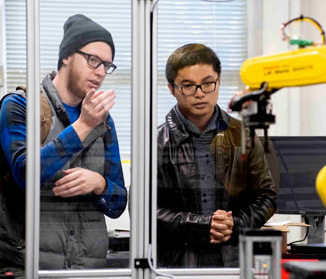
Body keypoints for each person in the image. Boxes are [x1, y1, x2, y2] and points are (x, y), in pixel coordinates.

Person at [0, 14, 127, 269]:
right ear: (66, 56)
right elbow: (25, 173)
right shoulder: (19, 106)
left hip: (89, 269)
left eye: (107, 65)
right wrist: (82, 126)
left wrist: (100, 184)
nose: (101, 72)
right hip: (29, 266)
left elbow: (118, 203)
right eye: (93, 60)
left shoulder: (104, 122)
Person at [157, 43, 277, 268]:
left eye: (208, 84)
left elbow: (266, 197)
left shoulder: (244, 136)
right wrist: (203, 225)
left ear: (219, 82)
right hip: (176, 266)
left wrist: (234, 224)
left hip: (234, 262)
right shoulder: (155, 143)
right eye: (188, 86)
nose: (200, 93)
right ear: (171, 88)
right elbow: (145, 211)